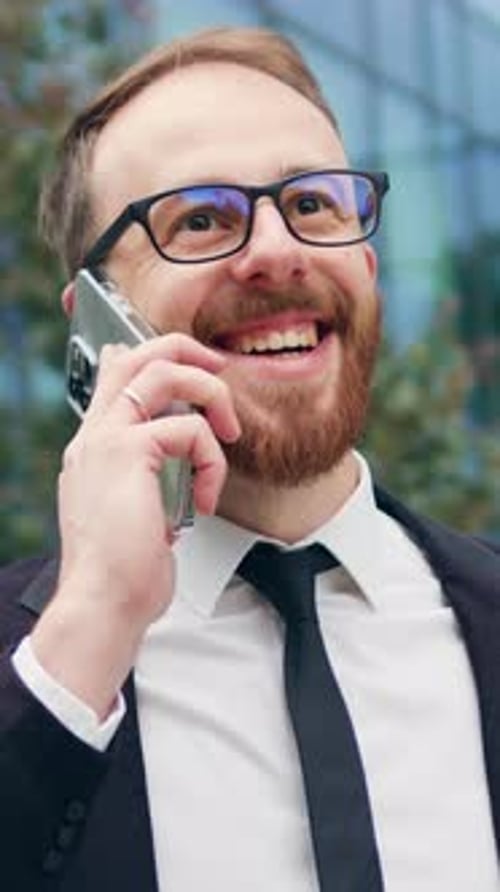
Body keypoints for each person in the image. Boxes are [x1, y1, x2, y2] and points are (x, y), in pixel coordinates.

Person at [0, 24, 499, 892]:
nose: (278, 251)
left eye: (312, 205)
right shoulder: (39, 664)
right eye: (201, 219)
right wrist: (90, 626)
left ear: (368, 265)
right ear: (94, 324)